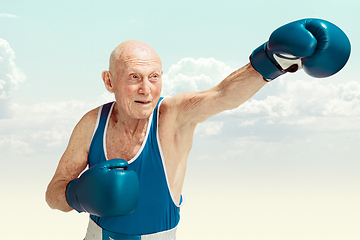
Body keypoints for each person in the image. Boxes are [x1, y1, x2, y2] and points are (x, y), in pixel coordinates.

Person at [46, 18, 350, 240]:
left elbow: (221, 96)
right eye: (133, 77)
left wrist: (273, 60)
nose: (146, 89)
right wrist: (77, 196)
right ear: (109, 81)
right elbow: (53, 194)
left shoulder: (172, 117)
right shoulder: (92, 123)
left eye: (154, 77)